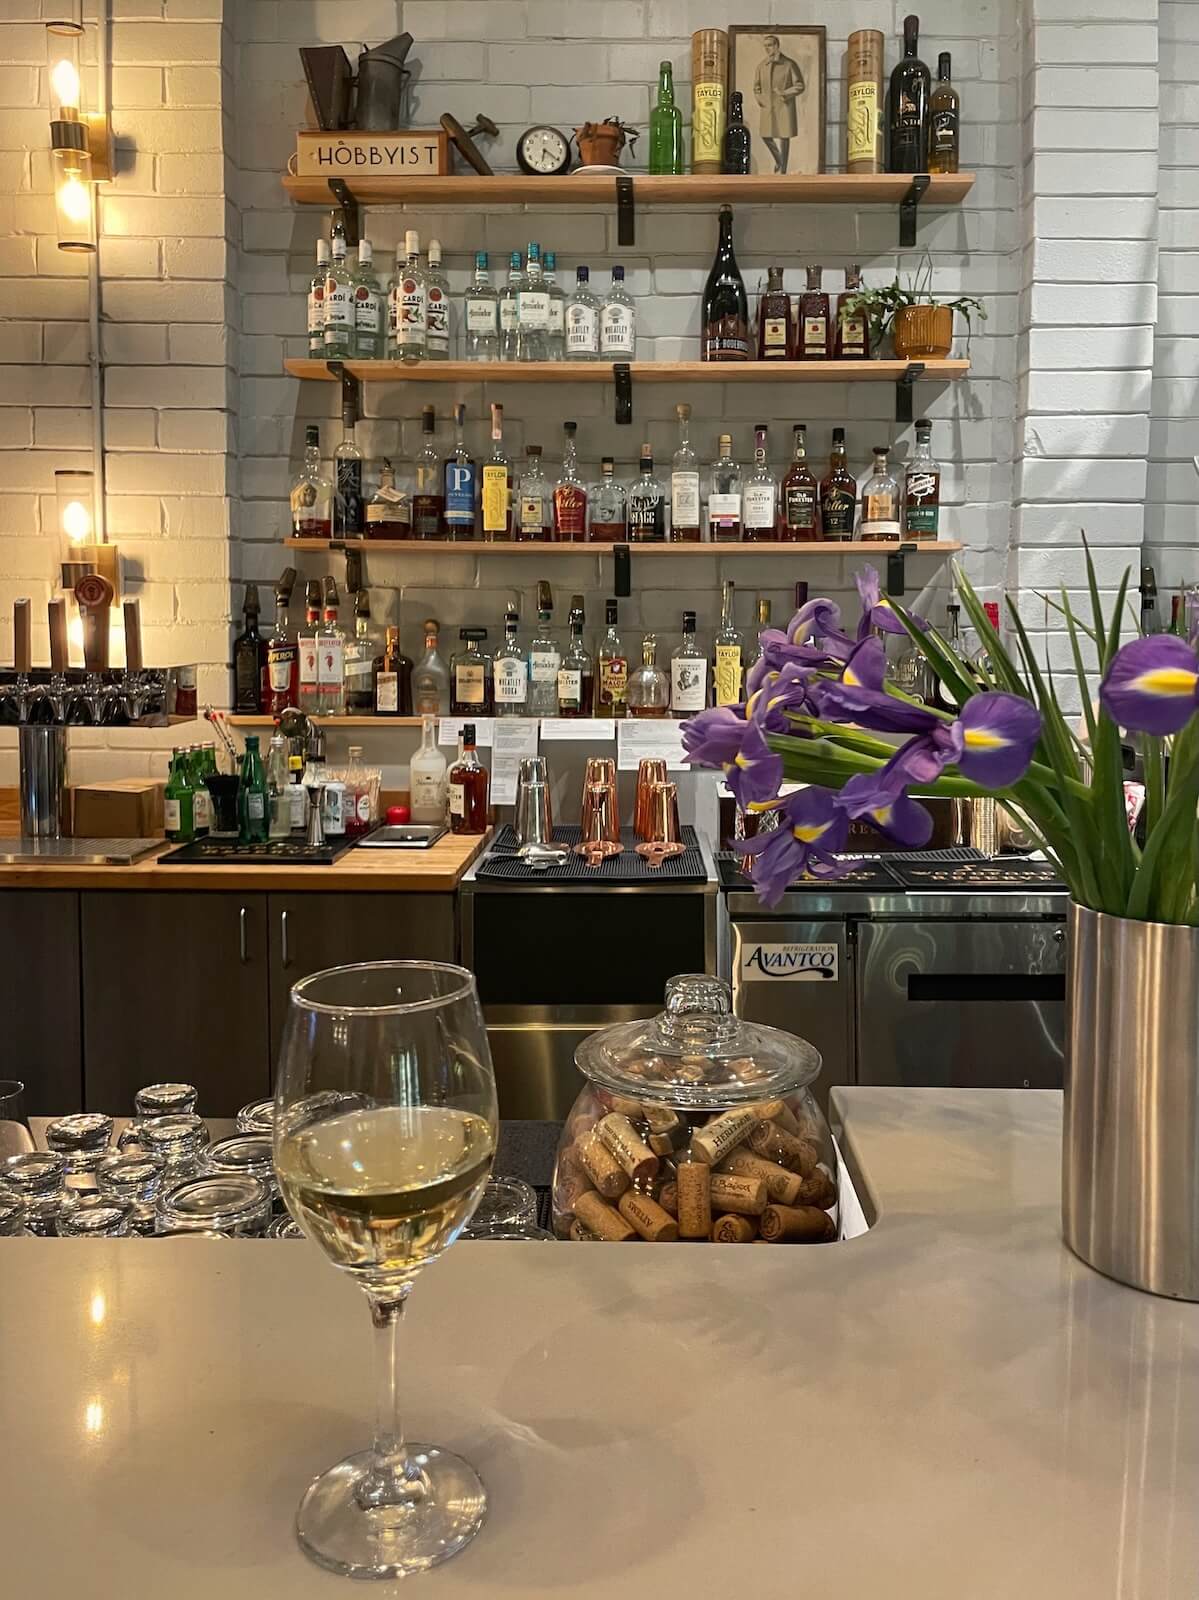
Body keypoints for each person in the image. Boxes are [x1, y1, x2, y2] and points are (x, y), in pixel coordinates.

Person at [753, 34, 805, 173]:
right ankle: (779, 161)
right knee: (765, 136)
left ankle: (783, 170)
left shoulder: (789, 64)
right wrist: (761, 100)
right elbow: (756, 87)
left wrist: (785, 93)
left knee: (784, 137)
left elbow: (799, 85)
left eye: (769, 45)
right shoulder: (761, 66)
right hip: (768, 107)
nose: (767, 49)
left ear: (776, 46)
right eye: (765, 46)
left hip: (784, 106)